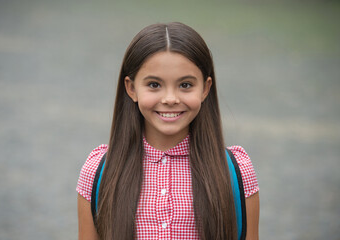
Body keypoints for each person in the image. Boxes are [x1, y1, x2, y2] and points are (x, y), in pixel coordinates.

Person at [77, 22, 259, 240]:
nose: (170, 99)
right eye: (154, 85)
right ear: (131, 88)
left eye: (185, 85)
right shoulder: (99, 172)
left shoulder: (236, 171)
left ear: (205, 88)